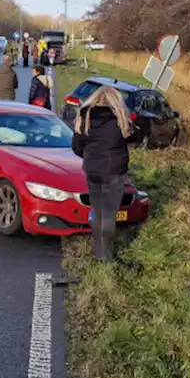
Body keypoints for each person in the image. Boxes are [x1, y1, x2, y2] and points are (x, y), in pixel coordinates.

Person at [71, 86, 134, 262]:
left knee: (97, 210)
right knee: (109, 213)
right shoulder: (120, 117)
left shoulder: (86, 116)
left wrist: (89, 155)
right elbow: (133, 138)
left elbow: (77, 146)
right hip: (115, 170)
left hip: (93, 169)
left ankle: (98, 252)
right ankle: (106, 255)